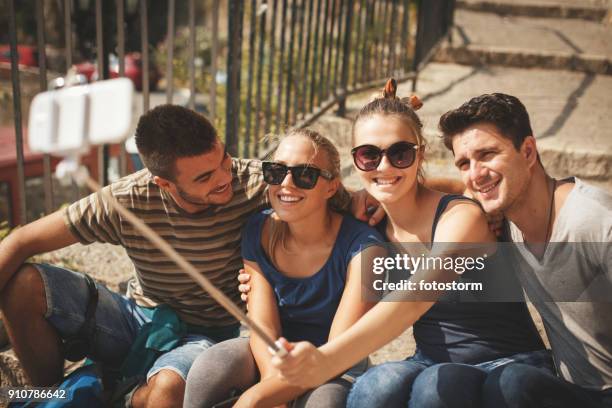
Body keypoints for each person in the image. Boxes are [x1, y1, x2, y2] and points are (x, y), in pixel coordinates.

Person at [0, 105, 374, 408]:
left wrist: (362, 197)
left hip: (204, 334)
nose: (225, 177)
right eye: (204, 178)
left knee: (165, 394)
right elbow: (19, 242)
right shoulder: (126, 200)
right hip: (137, 317)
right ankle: (47, 399)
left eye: (224, 159)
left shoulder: (260, 182)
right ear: (163, 182)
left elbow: (319, 191)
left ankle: (104, 391)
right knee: (22, 286)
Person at [240, 80, 550, 407]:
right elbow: (313, 198)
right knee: (374, 388)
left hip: (508, 363)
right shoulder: (371, 223)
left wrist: (319, 362)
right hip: (429, 359)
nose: (384, 166)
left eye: (399, 153)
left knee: (434, 390)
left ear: (420, 155)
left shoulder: (462, 219)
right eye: (369, 155)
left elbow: (414, 299)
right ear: (356, 161)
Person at [183, 129, 385, 408]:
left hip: (335, 365)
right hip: (272, 356)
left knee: (323, 403)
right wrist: (272, 390)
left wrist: (256, 398)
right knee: (210, 368)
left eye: (305, 174)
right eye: (277, 172)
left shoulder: (364, 247)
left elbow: (336, 351)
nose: (287, 184)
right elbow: (263, 327)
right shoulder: (258, 230)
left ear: (331, 186)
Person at [437, 93, 612, 408]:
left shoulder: (595, 222)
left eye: (488, 154)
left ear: (528, 151)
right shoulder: (505, 218)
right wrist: (367, 196)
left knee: (512, 382)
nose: (475, 174)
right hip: (571, 392)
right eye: (464, 163)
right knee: (479, 383)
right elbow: (436, 193)